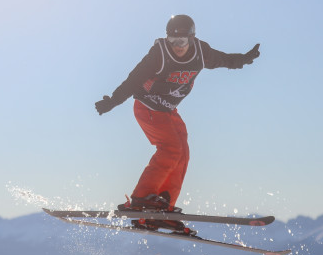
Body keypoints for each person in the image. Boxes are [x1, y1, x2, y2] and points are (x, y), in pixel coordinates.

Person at [95, 14, 260, 233]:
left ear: (192, 39)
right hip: (148, 107)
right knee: (171, 149)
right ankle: (142, 199)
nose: (177, 47)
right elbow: (134, 79)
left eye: (181, 42)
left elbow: (223, 59)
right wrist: (113, 101)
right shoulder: (159, 54)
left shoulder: (202, 53)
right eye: (172, 42)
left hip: (168, 111)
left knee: (183, 153)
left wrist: (243, 59)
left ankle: (163, 205)